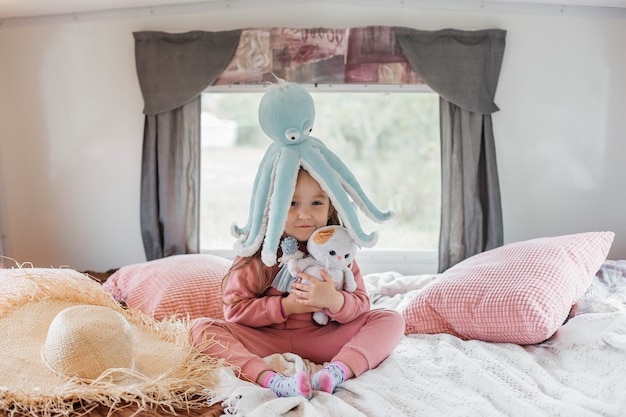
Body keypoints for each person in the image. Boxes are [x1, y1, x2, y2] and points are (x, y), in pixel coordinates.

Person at [191, 167, 405, 399]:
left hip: (324, 338)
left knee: (391, 319)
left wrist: (335, 301)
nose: (304, 214)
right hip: (267, 340)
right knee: (201, 329)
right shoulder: (258, 255)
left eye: (316, 203)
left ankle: (336, 372)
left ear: (330, 206)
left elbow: (361, 303)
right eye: (292, 203)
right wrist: (288, 306)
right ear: (272, 206)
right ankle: (271, 380)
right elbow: (234, 310)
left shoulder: (339, 249)